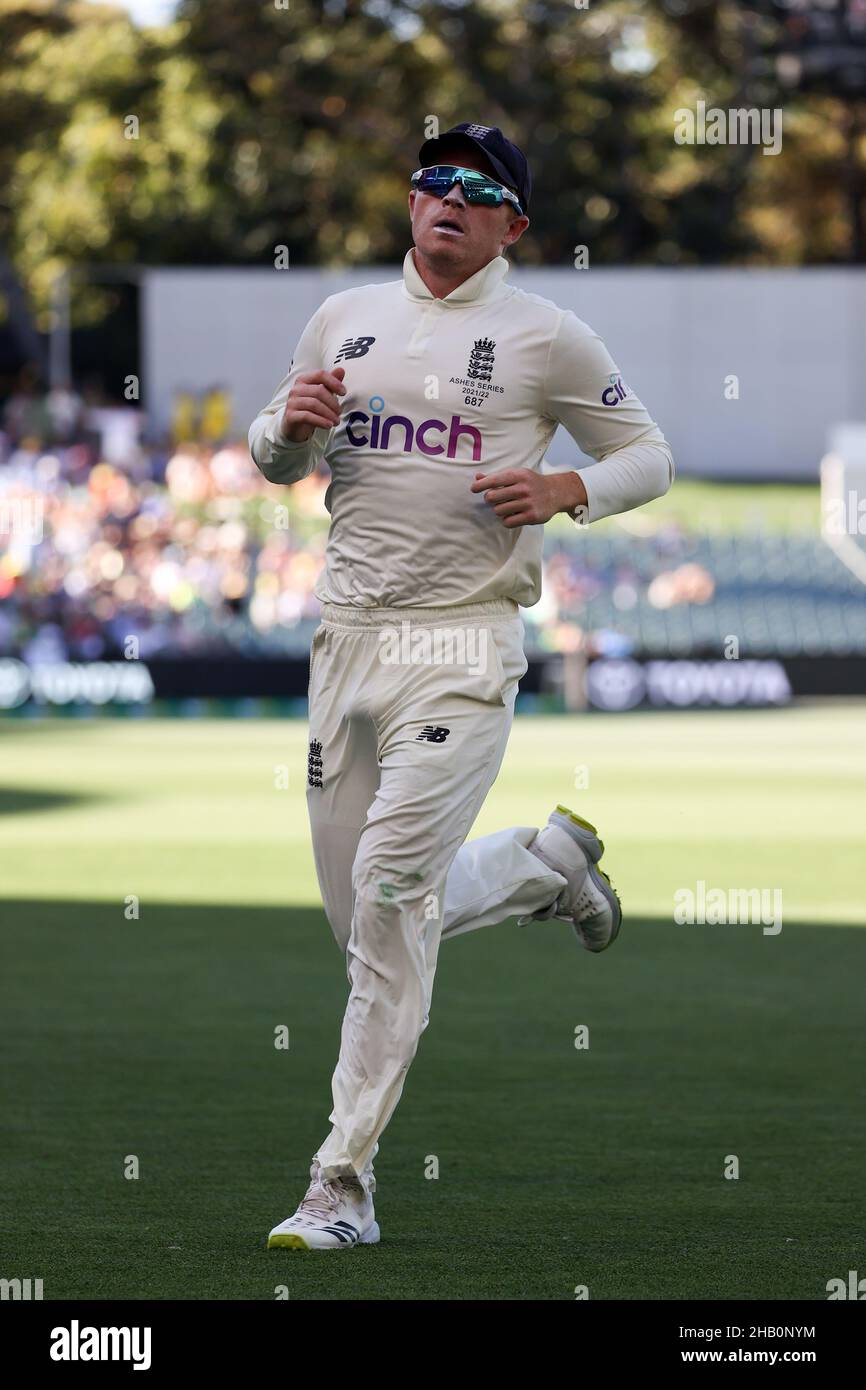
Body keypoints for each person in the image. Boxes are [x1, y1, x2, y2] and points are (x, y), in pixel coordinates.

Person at [249, 122, 674, 1251]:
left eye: (474, 188)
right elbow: (281, 453)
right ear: (410, 199)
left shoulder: (546, 335)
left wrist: (565, 485)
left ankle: (340, 1184)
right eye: (431, 179)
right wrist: (279, 432)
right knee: (370, 927)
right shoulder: (342, 315)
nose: (445, 197)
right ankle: (543, 872)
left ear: (510, 223)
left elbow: (650, 453)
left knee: (390, 894)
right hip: (343, 644)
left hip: (461, 644)